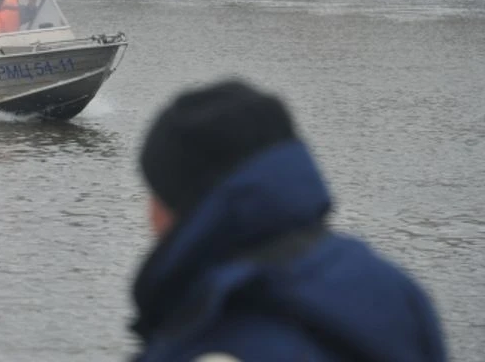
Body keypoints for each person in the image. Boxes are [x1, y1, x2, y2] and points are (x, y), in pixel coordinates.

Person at [131, 80, 446, 362]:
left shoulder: (215, 333)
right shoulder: (396, 290)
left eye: (155, 192)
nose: (149, 213)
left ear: (185, 202)